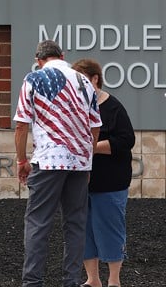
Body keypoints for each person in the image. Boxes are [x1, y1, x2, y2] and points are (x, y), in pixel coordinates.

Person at [14, 40, 102, 287]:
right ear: (62, 55)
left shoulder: (33, 78)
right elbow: (95, 126)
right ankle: (71, 281)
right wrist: (88, 158)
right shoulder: (84, 81)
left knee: (38, 223)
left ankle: (32, 282)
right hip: (79, 163)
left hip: (48, 161)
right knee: (75, 224)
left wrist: (22, 160)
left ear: (38, 60)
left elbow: (21, 125)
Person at [72, 59, 135, 287]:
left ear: (94, 79)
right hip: (81, 182)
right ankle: (93, 279)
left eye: (80, 79)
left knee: (110, 229)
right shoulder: (76, 107)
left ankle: (114, 281)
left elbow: (127, 140)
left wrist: (93, 147)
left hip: (110, 183)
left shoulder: (113, 107)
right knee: (84, 232)